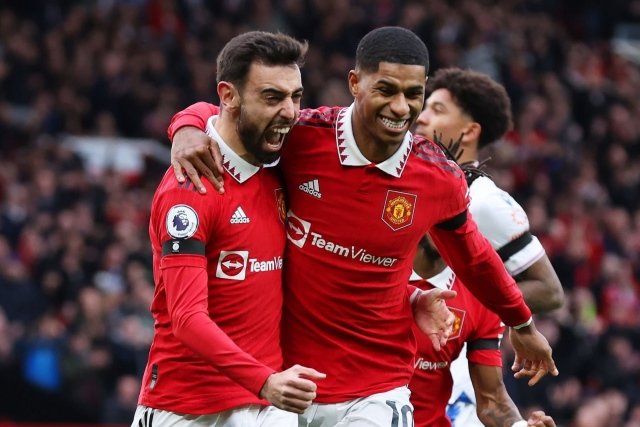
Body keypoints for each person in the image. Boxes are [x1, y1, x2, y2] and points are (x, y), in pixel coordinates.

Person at [166, 27, 558, 427]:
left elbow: (474, 257)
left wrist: (522, 323)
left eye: (414, 94)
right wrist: (187, 126)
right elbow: (235, 113)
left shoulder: (438, 177)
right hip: (287, 387)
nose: (401, 107)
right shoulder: (302, 138)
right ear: (355, 83)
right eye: (386, 90)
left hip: (375, 391)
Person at [132, 31, 327, 427]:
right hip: (188, 409)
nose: (290, 112)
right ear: (229, 96)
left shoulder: (279, 167)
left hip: (267, 406)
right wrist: (264, 381)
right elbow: (187, 318)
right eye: (272, 97)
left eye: (296, 97)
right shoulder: (191, 188)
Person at [413, 67, 564, 426]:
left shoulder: (483, 201)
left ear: (469, 131)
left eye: (437, 109)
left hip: (447, 358)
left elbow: (549, 291)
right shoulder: (403, 175)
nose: (421, 116)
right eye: (425, 106)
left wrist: (480, 305)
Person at [410, 234, 556, 427]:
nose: (440, 222)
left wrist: (519, 426)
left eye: (448, 218)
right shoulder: (376, 264)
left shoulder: (480, 292)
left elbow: (491, 400)